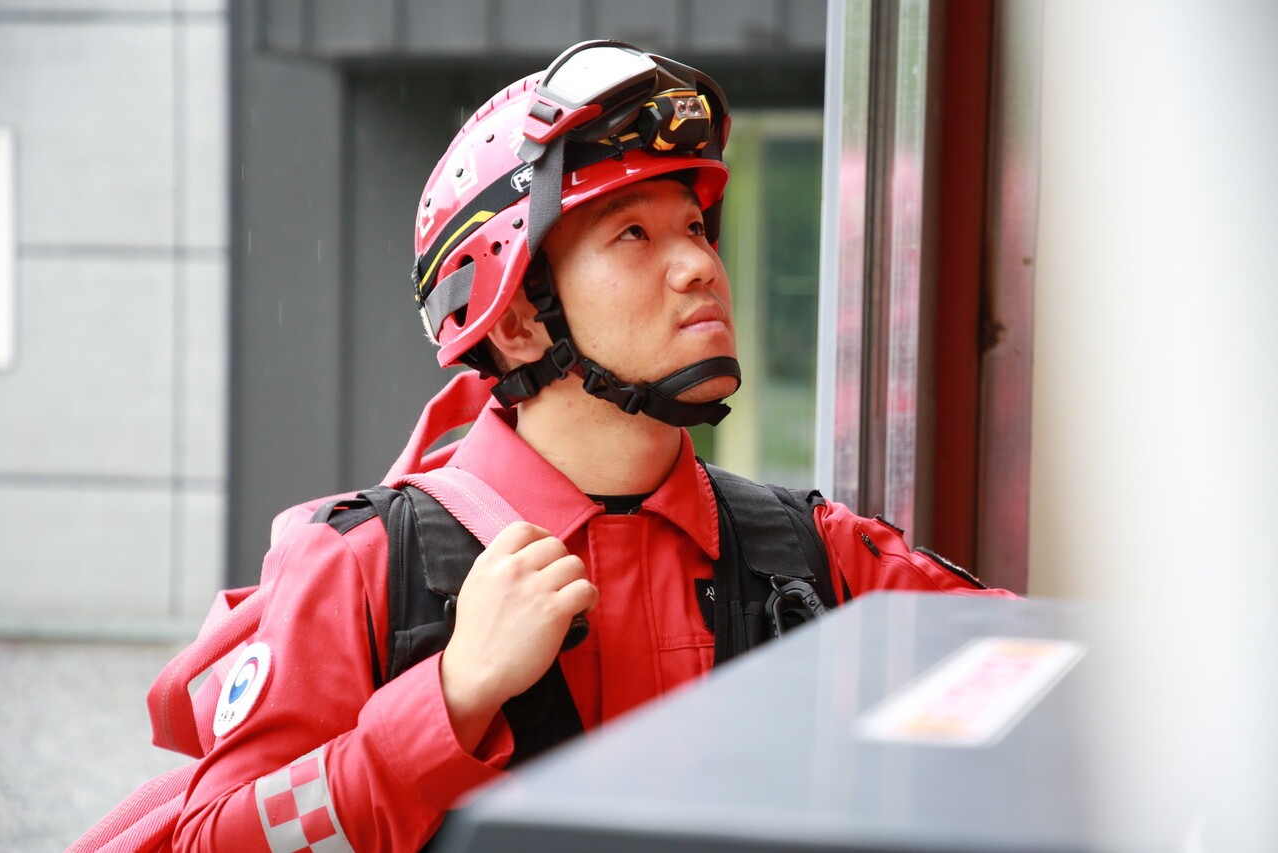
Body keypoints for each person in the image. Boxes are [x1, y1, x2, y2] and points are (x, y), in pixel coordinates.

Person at [173, 40, 1015, 852]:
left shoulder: (822, 557)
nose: (698, 264)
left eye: (694, 226)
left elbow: (1055, 686)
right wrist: (452, 694)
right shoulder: (355, 568)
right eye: (633, 236)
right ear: (514, 319)